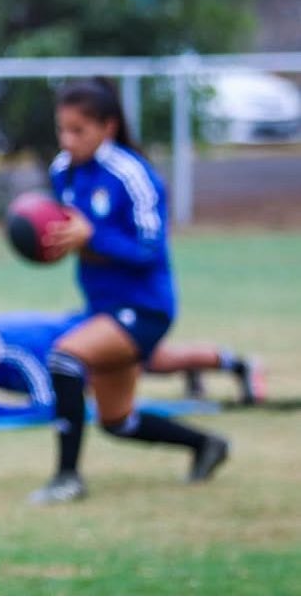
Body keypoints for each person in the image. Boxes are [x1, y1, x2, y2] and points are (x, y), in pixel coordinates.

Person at [25, 77, 229, 505]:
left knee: (65, 358)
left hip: (146, 308)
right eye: (62, 129)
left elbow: (149, 252)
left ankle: (67, 479)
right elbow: (72, 237)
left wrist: (91, 236)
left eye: (78, 130)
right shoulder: (63, 171)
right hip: (104, 309)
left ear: (108, 127)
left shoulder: (133, 175)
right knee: (117, 420)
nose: (67, 140)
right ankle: (206, 445)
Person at [0, 311, 267, 420]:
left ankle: (239, 365)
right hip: (74, 341)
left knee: (157, 360)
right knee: (157, 362)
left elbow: (49, 406)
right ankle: (200, 370)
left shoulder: (15, 354)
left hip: (92, 342)